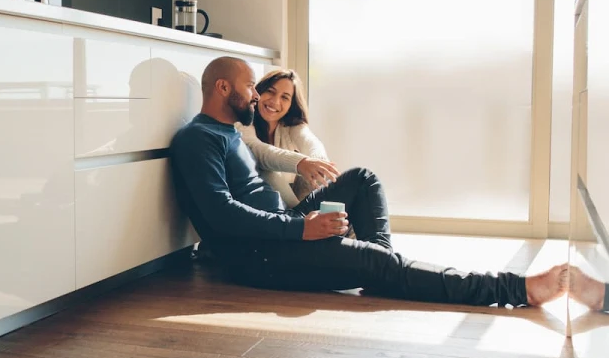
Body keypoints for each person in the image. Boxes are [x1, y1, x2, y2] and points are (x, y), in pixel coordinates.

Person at [169, 56, 567, 307]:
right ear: (223, 88)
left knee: (363, 180)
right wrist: (301, 229)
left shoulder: (233, 134)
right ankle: (516, 290)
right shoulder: (196, 139)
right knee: (377, 263)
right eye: (251, 86)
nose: (256, 96)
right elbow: (221, 215)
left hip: (282, 231)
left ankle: (380, 269)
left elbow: (271, 162)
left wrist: (300, 220)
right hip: (260, 257)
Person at [236, 69, 334, 209]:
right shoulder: (243, 122)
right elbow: (257, 149)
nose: (275, 101)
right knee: (266, 169)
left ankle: (324, 218)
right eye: (270, 91)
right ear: (259, 91)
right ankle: (301, 217)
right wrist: (301, 162)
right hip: (257, 201)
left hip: (292, 199)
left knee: (363, 176)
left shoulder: (291, 126)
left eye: (285, 97)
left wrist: (317, 164)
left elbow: (312, 143)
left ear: (291, 105)